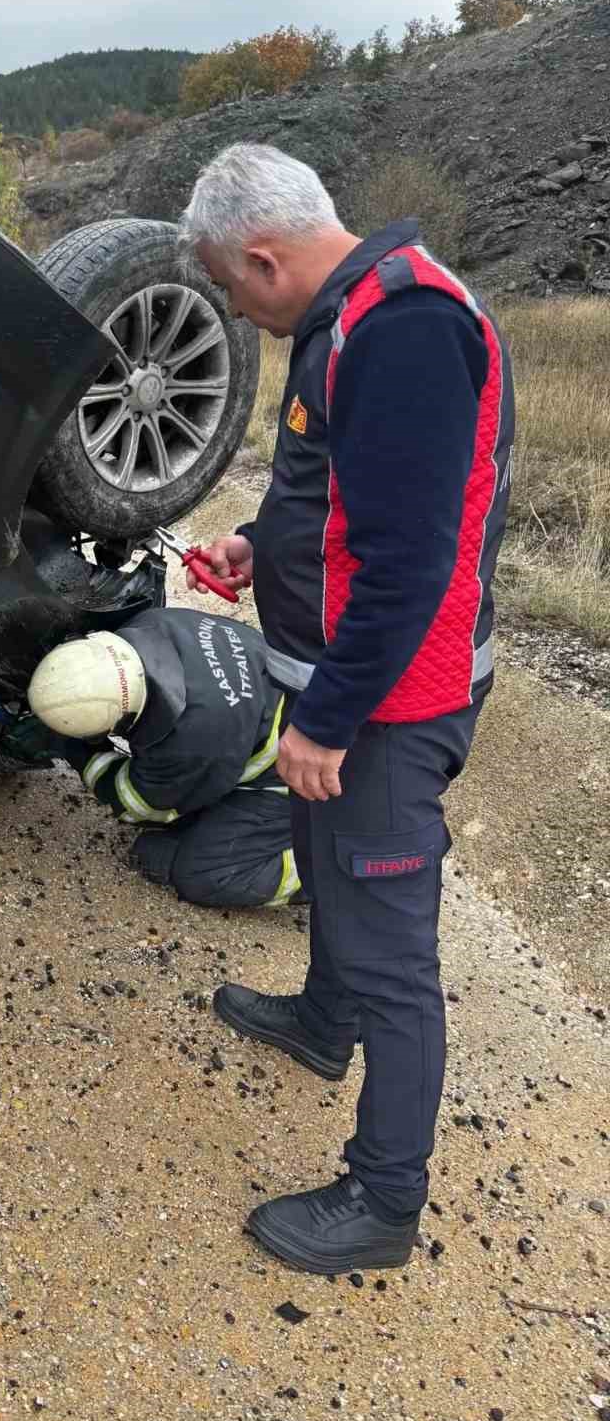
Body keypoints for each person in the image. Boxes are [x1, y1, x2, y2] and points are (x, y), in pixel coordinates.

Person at [178, 143, 514, 1273]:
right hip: (341, 682)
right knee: (324, 861)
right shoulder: (350, 316)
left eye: (231, 289)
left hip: (390, 706)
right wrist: (257, 544)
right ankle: (325, 1024)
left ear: (263, 259)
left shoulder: (405, 328)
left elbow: (411, 562)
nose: (238, 311)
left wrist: (330, 721)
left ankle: (384, 1200)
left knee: (392, 952)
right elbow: (337, 492)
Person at [26, 607, 302, 910]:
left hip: (306, 782)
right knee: (165, 840)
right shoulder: (151, 624)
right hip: (294, 717)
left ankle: (328, 870)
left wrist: (72, 749)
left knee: (203, 874)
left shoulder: (192, 738)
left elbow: (137, 804)